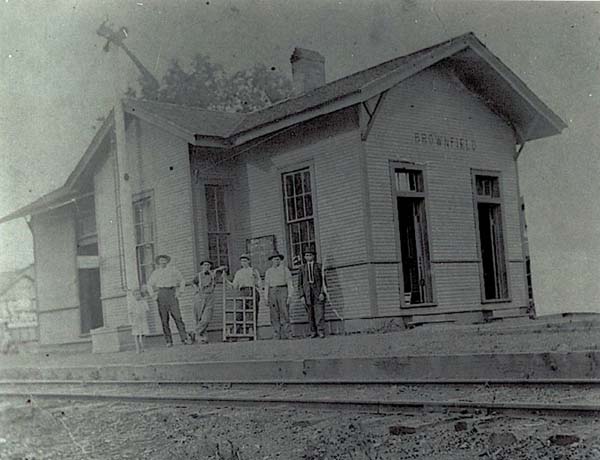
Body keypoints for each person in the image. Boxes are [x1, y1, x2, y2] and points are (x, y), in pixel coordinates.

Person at [147, 254, 191, 347]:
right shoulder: (156, 273)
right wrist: (153, 295)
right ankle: (168, 341)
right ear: (158, 262)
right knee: (164, 319)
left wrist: (180, 292)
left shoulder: (173, 270)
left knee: (178, 317)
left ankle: (184, 338)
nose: (163, 262)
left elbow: (182, 280)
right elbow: (149, 284)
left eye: (164, 260)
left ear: (167, 261)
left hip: (172, 293)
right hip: (161, 294)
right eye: (161, 260)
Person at [190, 260, 226, 344]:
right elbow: (193, 283)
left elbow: (224, 269)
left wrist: (217, 269)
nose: (206, 266)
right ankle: (201, 337)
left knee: (206, 318)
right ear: (202, 266)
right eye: (205, 265)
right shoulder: (198, 275)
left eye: (208, 265)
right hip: (200, 297)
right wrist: (196, 289)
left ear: (210, 266)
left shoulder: (213, 274)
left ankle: (194, 332)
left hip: (210, 296)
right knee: (199, 318)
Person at [298, 248, 327, 338]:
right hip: (307, 293)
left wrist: (322, 293)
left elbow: (324, 282)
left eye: (310, 255)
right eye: (306, 255)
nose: (308, 257)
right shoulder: (302, 268)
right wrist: (302, 296)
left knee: (319, 312)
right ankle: (313, 331)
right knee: (310, 313)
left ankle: (320, 331)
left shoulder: (319, 266)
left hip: (317, 292)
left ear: (313, 256)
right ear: (304, 257)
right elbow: (299, 284)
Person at [264, 252, 294, 340]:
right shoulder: (268, 271)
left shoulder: (285, 270)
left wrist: (290, 295)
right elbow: (266, 285)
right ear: (271, 261)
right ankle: (276, 334)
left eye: (278, 259)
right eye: (274, 259)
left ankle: (288, 333)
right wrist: (266, 298)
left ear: (280, 260)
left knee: (285, 311)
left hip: (283, 290)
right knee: (274, 313)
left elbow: (289, 283)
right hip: (272, 291)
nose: (276, 261)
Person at [127, 285, 150, 353]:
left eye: (138, 294)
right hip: (135, 320)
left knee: (143, 333)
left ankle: (143, 347)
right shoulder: (132, 303)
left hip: (143, 319)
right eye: (136, 294)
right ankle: (137, 348)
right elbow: (130, 313)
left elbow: (147, 310)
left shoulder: (143, 302)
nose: (137, 295)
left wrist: (146, 317)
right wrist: (131, 321)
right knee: (136, 334)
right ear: (133, 295)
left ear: (140, 294)